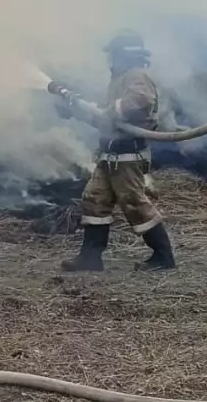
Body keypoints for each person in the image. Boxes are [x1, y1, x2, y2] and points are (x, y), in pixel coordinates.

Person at [48, 31, 177, 272]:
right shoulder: (118, 80)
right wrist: (74, 112)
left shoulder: (136, 76)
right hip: (110, 156)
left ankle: (163, 257)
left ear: (124, 55)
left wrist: (112, 110)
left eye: (113, 55)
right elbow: (106, 120)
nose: (110, 61)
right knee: (94, 200)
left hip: (128, 156)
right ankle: (90, 258)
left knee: (133, 203)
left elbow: (140, 101)